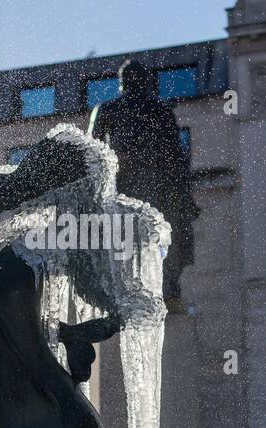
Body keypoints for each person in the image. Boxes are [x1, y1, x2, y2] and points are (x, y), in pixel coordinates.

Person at [88, 59, 200, 307]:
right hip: (148, 186)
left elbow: (91, 151)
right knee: (161, 236)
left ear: (122, 83)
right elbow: (176, 156)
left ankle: (154, 287)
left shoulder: (108, 108)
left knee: (139, 238)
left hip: (129, 186)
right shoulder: (158, 108)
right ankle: (165, 288)